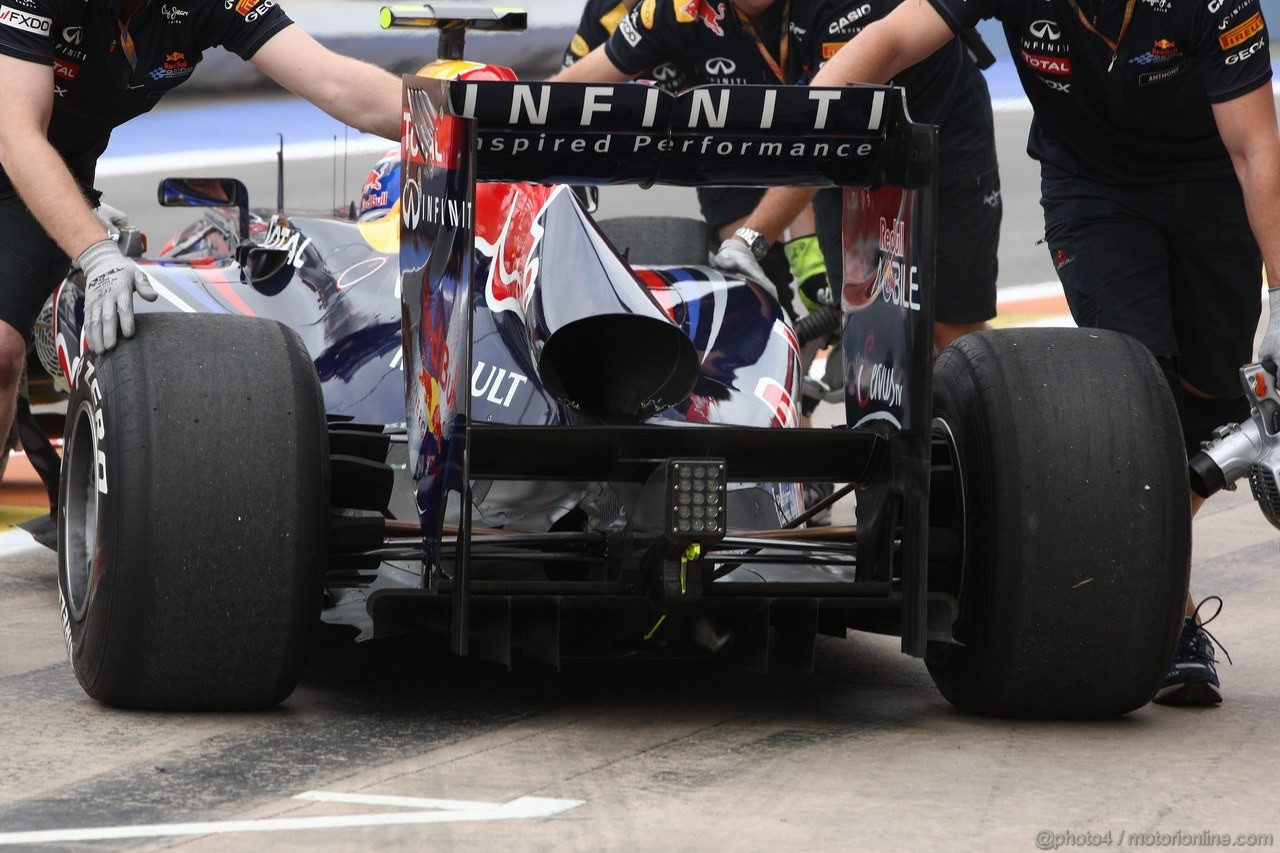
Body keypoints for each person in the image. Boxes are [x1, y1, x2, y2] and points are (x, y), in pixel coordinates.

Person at [780, 0, 1280, 705]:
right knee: (1138, 399)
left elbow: (1255, 147)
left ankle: (1216, 466)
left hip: (1209, 183)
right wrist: (796, 128)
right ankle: (1173, 617)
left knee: (1217, 400)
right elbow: (889, 40)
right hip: (1093, 186)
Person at [0, 0, 402, 466]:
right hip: (18, 140)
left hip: (39, 172)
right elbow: (16, 134)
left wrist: (464, 120)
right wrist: (96, 252)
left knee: (3, 354)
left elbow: (336, 83)